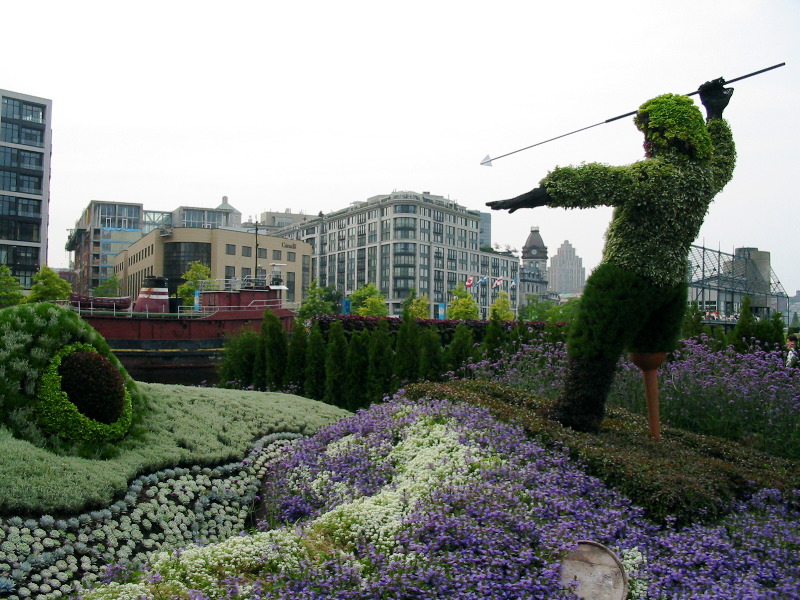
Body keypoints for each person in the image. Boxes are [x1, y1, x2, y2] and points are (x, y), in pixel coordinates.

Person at [487, 79, 736, 432]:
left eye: (648, 132)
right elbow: (724, 159)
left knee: (594, 340)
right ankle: (654, 434)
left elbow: (596, 182)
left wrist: (531, 196)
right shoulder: (704, 176)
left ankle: (577, 417)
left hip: (628, 274)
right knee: (650, 356)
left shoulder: (656, 174)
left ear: (662, 135)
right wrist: (716, 113)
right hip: (670, 284)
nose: (646, 142)